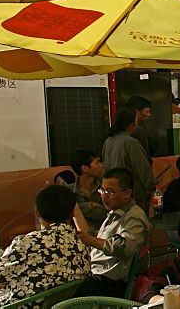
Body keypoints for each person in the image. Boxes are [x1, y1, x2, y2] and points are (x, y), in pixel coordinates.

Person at [0, 185, 89, 306]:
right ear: (72, 213)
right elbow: (44, 279)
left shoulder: (28, 243)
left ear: (36, 212)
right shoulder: (82, 243)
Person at [74, 167, 151, 298]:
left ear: (127, 193)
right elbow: (98, 239)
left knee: (65, 293)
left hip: (109, 282)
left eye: (110, 191)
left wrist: (90, 240)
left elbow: (125, 248)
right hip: (95, 274)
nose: (104, 195)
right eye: (102, 190)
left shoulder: (133, 216)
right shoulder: (114, 212)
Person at [102, 108, 156, 212]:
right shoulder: (131, 143)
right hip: (131, 196)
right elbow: (143, 170)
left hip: (113, 193)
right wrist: (152, 186)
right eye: (136, 121)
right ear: (131, 124)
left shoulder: (109, 141)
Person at [71, 148, 108, 234]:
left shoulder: (106, 187)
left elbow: (107, 213)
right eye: (97, 163)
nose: (101, 165)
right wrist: (91, 205)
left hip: (104, 235)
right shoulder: (69, 191)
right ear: (85, 168)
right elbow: (65, 211)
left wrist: (78, 212)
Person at [126, 95, 154, 160]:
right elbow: (145, 157)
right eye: (147, 111)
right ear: (137, 112)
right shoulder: (139, 131)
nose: (149, 115)